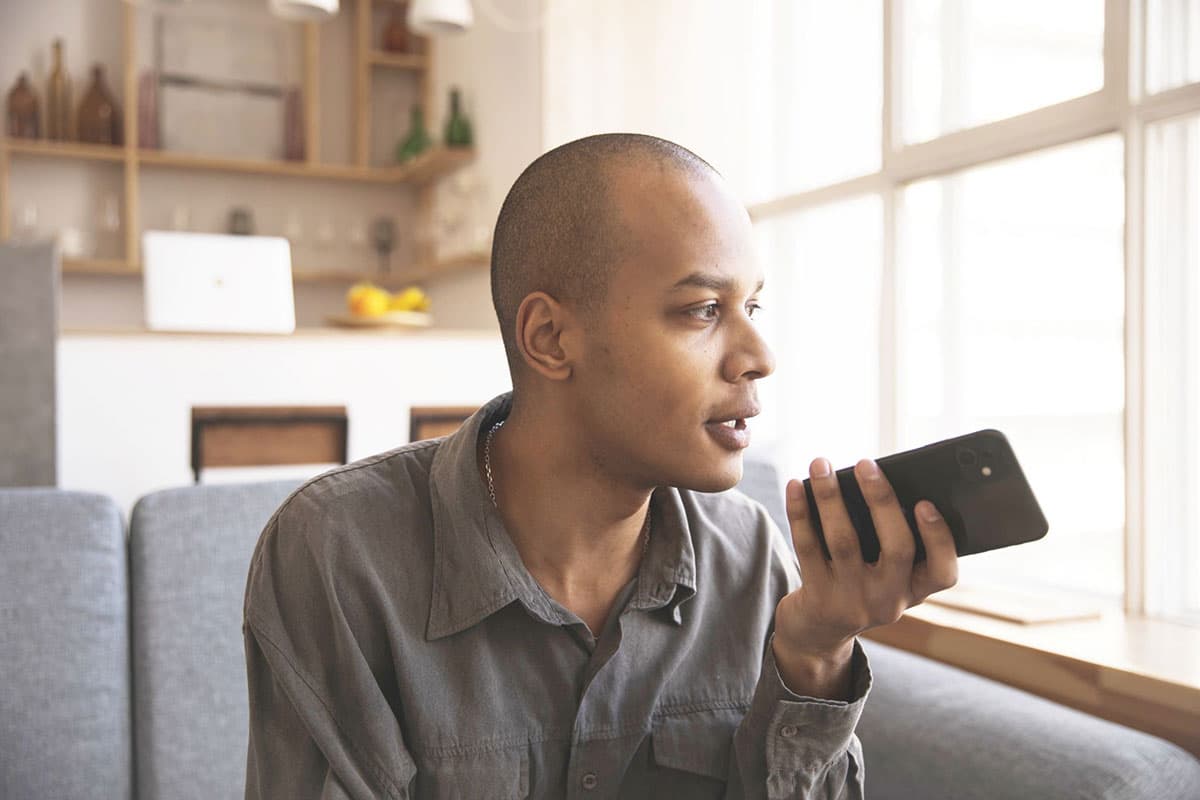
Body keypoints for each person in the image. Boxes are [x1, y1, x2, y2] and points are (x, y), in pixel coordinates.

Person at [242, 133, 959, 799]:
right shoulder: (336, 553)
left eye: (754, 305)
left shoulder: (752, 561)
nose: (759, 356)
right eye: (704, 309)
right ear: (551, 338)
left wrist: (814, 654)